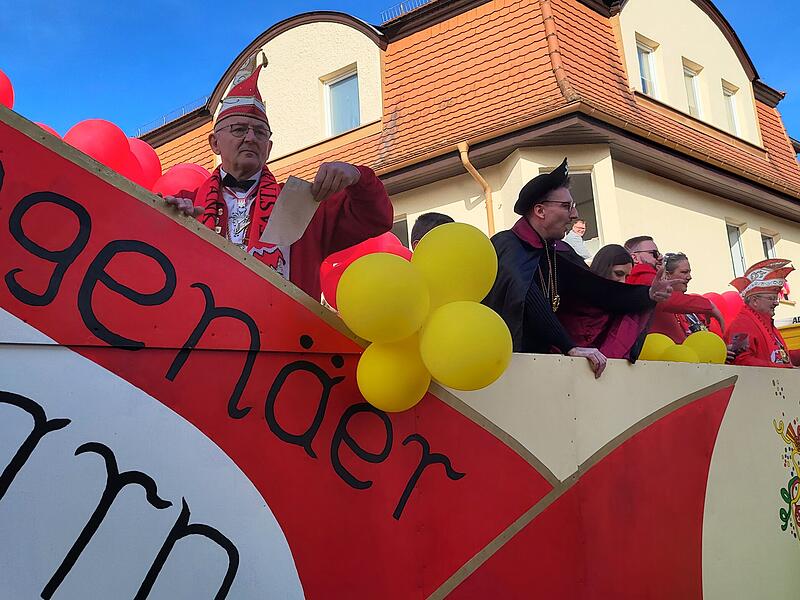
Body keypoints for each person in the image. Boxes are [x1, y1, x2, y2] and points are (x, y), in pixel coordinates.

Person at [165, 65, 393, 299]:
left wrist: (357, 176)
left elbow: (376, 219)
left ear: (269, 148)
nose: (251, 138)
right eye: (239, 129)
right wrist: (173, 230)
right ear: (215, 143)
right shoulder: (185, 204)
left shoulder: (303, 203)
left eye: (260, 133)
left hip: (282, 332)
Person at [483, 159, 675, 378]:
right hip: (508, 368)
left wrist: (648, 294)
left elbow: (597, 291)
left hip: (548, 369)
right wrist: (569, 346)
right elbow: (526, 295)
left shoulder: (558, 253)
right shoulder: (507, 243)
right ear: (540, 210)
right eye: (566, 206)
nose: (574, 215)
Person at [725, 258, 797, 368]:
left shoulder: (766, 322)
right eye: (771, 298)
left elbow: (781, 358)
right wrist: (785, 369)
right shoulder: (742, 324)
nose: (776, 303)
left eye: (776, 298)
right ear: (754, 301)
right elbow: (742, 362)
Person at [647, 252, 725, 343]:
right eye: (684, 272)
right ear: (667, 275)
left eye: (689, 272)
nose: (689, 277)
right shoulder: (660, 301)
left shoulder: (695, 306)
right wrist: (710, 306)